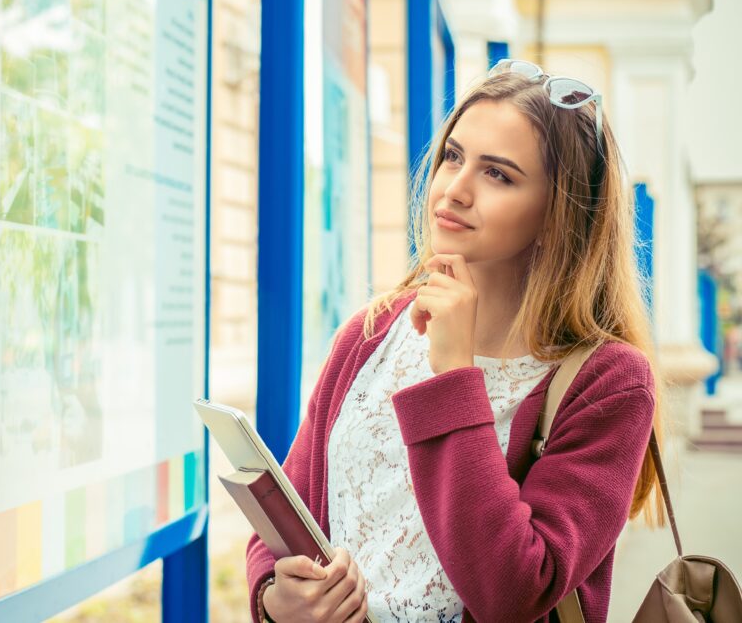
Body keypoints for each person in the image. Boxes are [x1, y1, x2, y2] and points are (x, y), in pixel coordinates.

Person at [246, 60, 663, 623]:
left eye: (499, 175)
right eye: (453, 156)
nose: (456, 190)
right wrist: (276, 596)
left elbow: (512, 591)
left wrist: (451, 373)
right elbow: (288, 511)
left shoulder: (609, 382)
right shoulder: (371, 333)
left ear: (557, 212)